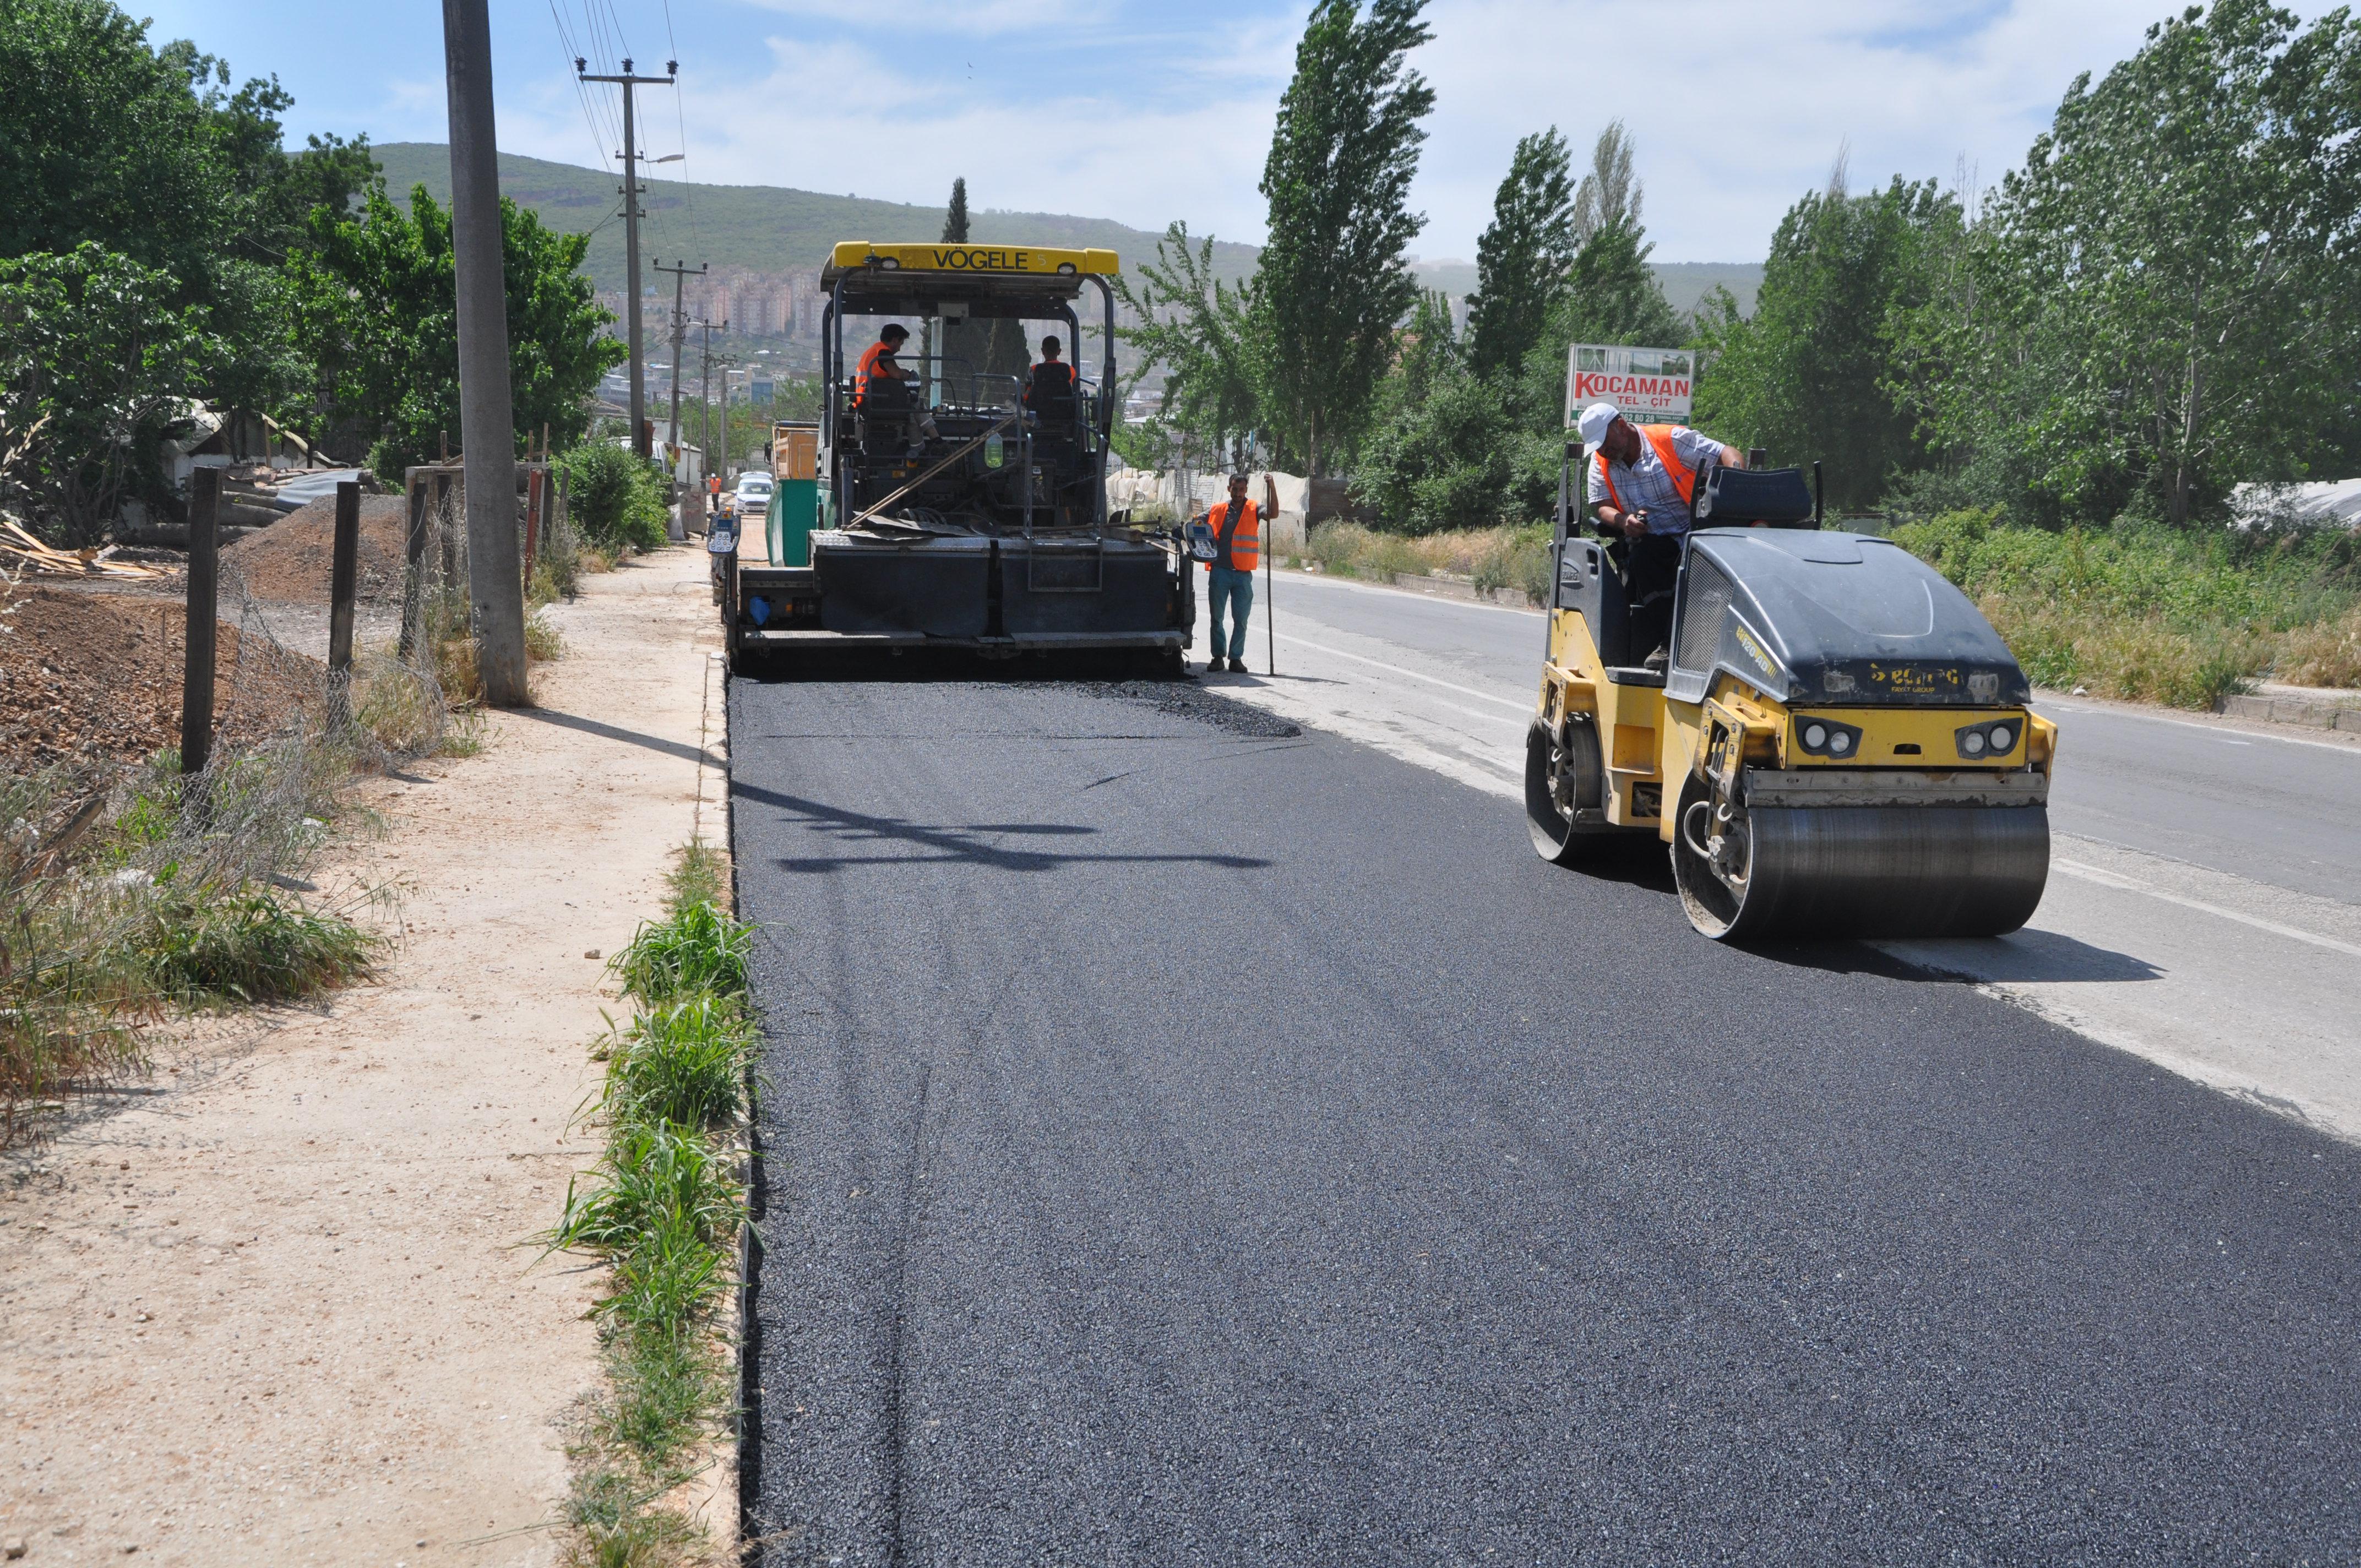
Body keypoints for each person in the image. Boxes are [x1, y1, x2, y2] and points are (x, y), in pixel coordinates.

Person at [1576, 401, 1745, 665]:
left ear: (1621, 425)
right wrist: (1623, 521)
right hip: (1653, 541)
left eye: (1605, 443)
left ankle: (1673, 647)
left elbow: (1726, 452)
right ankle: (1671, 643)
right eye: (1597, 447)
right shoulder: (1601, 462)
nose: (1603, 451)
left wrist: (1739, 484)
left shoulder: (1669, 441)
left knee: (1692, 565)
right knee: (1641, 557)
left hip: (1695, 534)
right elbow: (1602, 505)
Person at [1199, 472, 1263, 674]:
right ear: (1229, 489)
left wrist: (1272, 488)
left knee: (1241, 620)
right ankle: (1218, 657)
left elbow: (1274, 514)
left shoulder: (1254, 509)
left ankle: (1236, 658)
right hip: (1220, 572)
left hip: (1243, 575)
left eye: (1241, 489)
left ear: (1246, 490)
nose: (1238, 493)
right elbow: (1196, 523)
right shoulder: (1218, 510)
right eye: (1234, 489)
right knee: (1217, 617)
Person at [852, 323, 938, 454]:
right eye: (901, 344)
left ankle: (919, 451)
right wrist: (908, 375)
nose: (899, 349)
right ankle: (936, 441)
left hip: (867, 404)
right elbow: (897, 374)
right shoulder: (882, 352)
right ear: (895, 340)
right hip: (876, 405)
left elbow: (886, 375)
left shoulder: (872, 352)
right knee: (916, 402)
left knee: (912, 414)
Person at [1024, 335, 1075, 420]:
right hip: (1064, 417)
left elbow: (1027, 396)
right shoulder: (1069, 371)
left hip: (1039, 418)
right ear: (1059, 352)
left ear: (1043, 351)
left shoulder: (1034, 370)